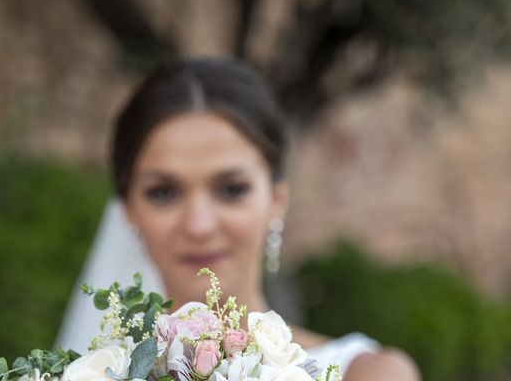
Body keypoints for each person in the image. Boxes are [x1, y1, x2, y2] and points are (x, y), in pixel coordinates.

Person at [57, 59, 420, 381]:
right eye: (164, 193)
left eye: (231, 189)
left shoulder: (364, 373)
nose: (199, 225)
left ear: (276, 201)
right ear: (129, 212)